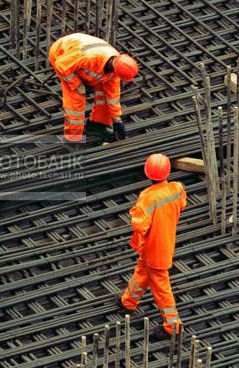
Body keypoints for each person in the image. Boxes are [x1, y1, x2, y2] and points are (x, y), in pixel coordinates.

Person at [117, 153, 187, 340]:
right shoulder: (177, 189)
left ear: (148, 174)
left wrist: (134, 211)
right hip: (165, 244)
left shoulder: (147, 196)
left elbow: (139, 224)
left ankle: (173, 326)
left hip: (153, 248)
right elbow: (182, 205)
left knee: (162, 289)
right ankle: (128, 302)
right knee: (142, 271)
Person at [48, 33, 139, 142]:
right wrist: (76, 84)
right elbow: (61, 65)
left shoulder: (117, 66)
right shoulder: (89, 57)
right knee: (76, 100)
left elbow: (112, 96)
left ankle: (97, 124)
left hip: (78, 60)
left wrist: (116, 119)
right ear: (115, 70)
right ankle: (72, 138)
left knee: (105, 94)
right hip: (62, 55)